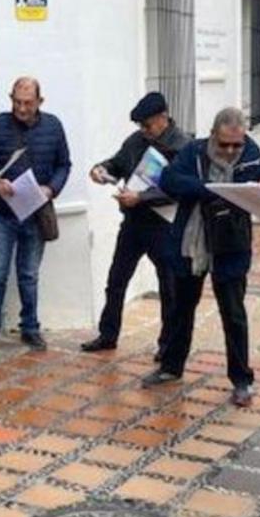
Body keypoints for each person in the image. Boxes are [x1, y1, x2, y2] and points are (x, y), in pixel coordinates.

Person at [142, 107, 260, 408]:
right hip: (193, 241)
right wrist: (212, 190)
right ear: (214, 134)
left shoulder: (251, 153)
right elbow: (169, 180)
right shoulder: (193, 151)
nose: (230, 151)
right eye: (224, 144)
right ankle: (171, 366)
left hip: (232, 243)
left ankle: (242, 380)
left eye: (236, 145)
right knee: (181, 308)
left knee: (233, 313)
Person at [80, 92, 191, 357]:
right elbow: (117, 164)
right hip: (133, 223)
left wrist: (141, 197)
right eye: (140, 126)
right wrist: (101, 169)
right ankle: (108, 335)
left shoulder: (183, 146)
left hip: (164, 225)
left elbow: (180, 189)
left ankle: (167, 345)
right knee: (116, 280)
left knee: (169, 287)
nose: (144, 131)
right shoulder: (137, 140)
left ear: (163, 118)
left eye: (148, 125)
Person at [0, 77, 72, 351]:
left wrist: (52, 188)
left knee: (29, 274)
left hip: (36, 212)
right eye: (16, 101)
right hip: (2, 213)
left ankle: (30, 327)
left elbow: (64, 164)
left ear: (40, 101)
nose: (21, 108)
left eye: (27, 103)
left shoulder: (53, 126)